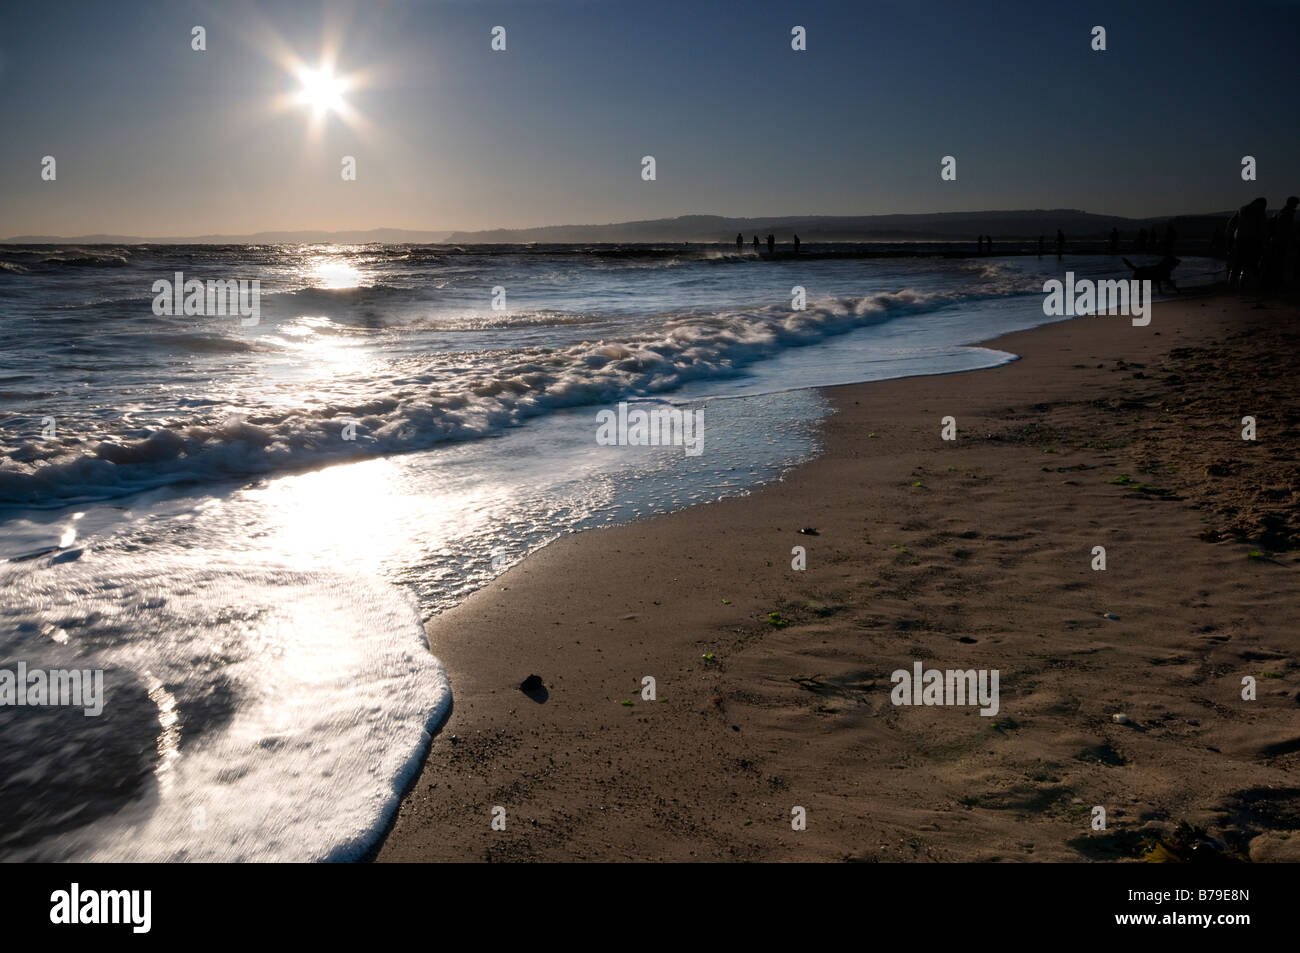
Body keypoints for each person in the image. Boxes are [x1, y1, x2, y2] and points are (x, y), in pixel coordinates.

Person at [1227, 197, 1268, 290]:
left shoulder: (1242, 209)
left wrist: (1231, 236)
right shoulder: (1260, 212)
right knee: (1248, 264)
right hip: (1252, 240)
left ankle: (1231, 285)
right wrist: (1263, 240)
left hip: (1239, 240)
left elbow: (1231, 223)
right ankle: (1244, 286)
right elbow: (1262, 228)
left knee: (1236, 264)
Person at [1264, 196, 1297, 289]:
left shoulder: (1280, 212)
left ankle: (1275, 282)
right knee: (1281, 263)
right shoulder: (1287, 213)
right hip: (1282, 241)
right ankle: (1279, 283)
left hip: (1277, 240)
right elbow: (1288, 229)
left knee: (1278, 262)